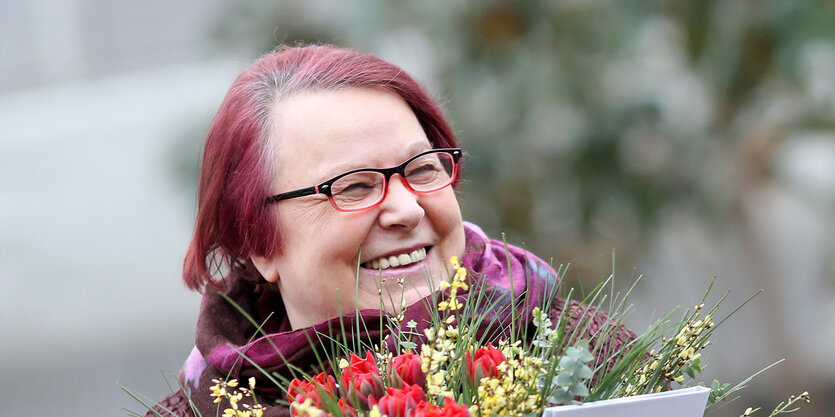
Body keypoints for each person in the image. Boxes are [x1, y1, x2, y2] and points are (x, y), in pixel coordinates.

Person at [147, 44, 634, 417]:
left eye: (421, 169)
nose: (406, 209)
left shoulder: (587, 351)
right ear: (258, 243)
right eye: (354, 187)